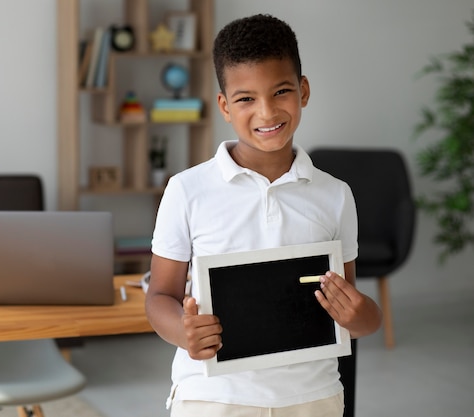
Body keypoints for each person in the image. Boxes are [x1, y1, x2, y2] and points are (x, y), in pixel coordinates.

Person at [145, 13, 382, 417]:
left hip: (313, 397)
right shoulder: (186, 190)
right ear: (224, 105)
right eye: (246, 99)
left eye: (281, 91)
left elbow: (352, 311)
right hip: (212, 397)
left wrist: (363, 316)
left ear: (303, 91)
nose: (267, 113)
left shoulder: (336, 196)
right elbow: (160, 297)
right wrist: (185, 334)